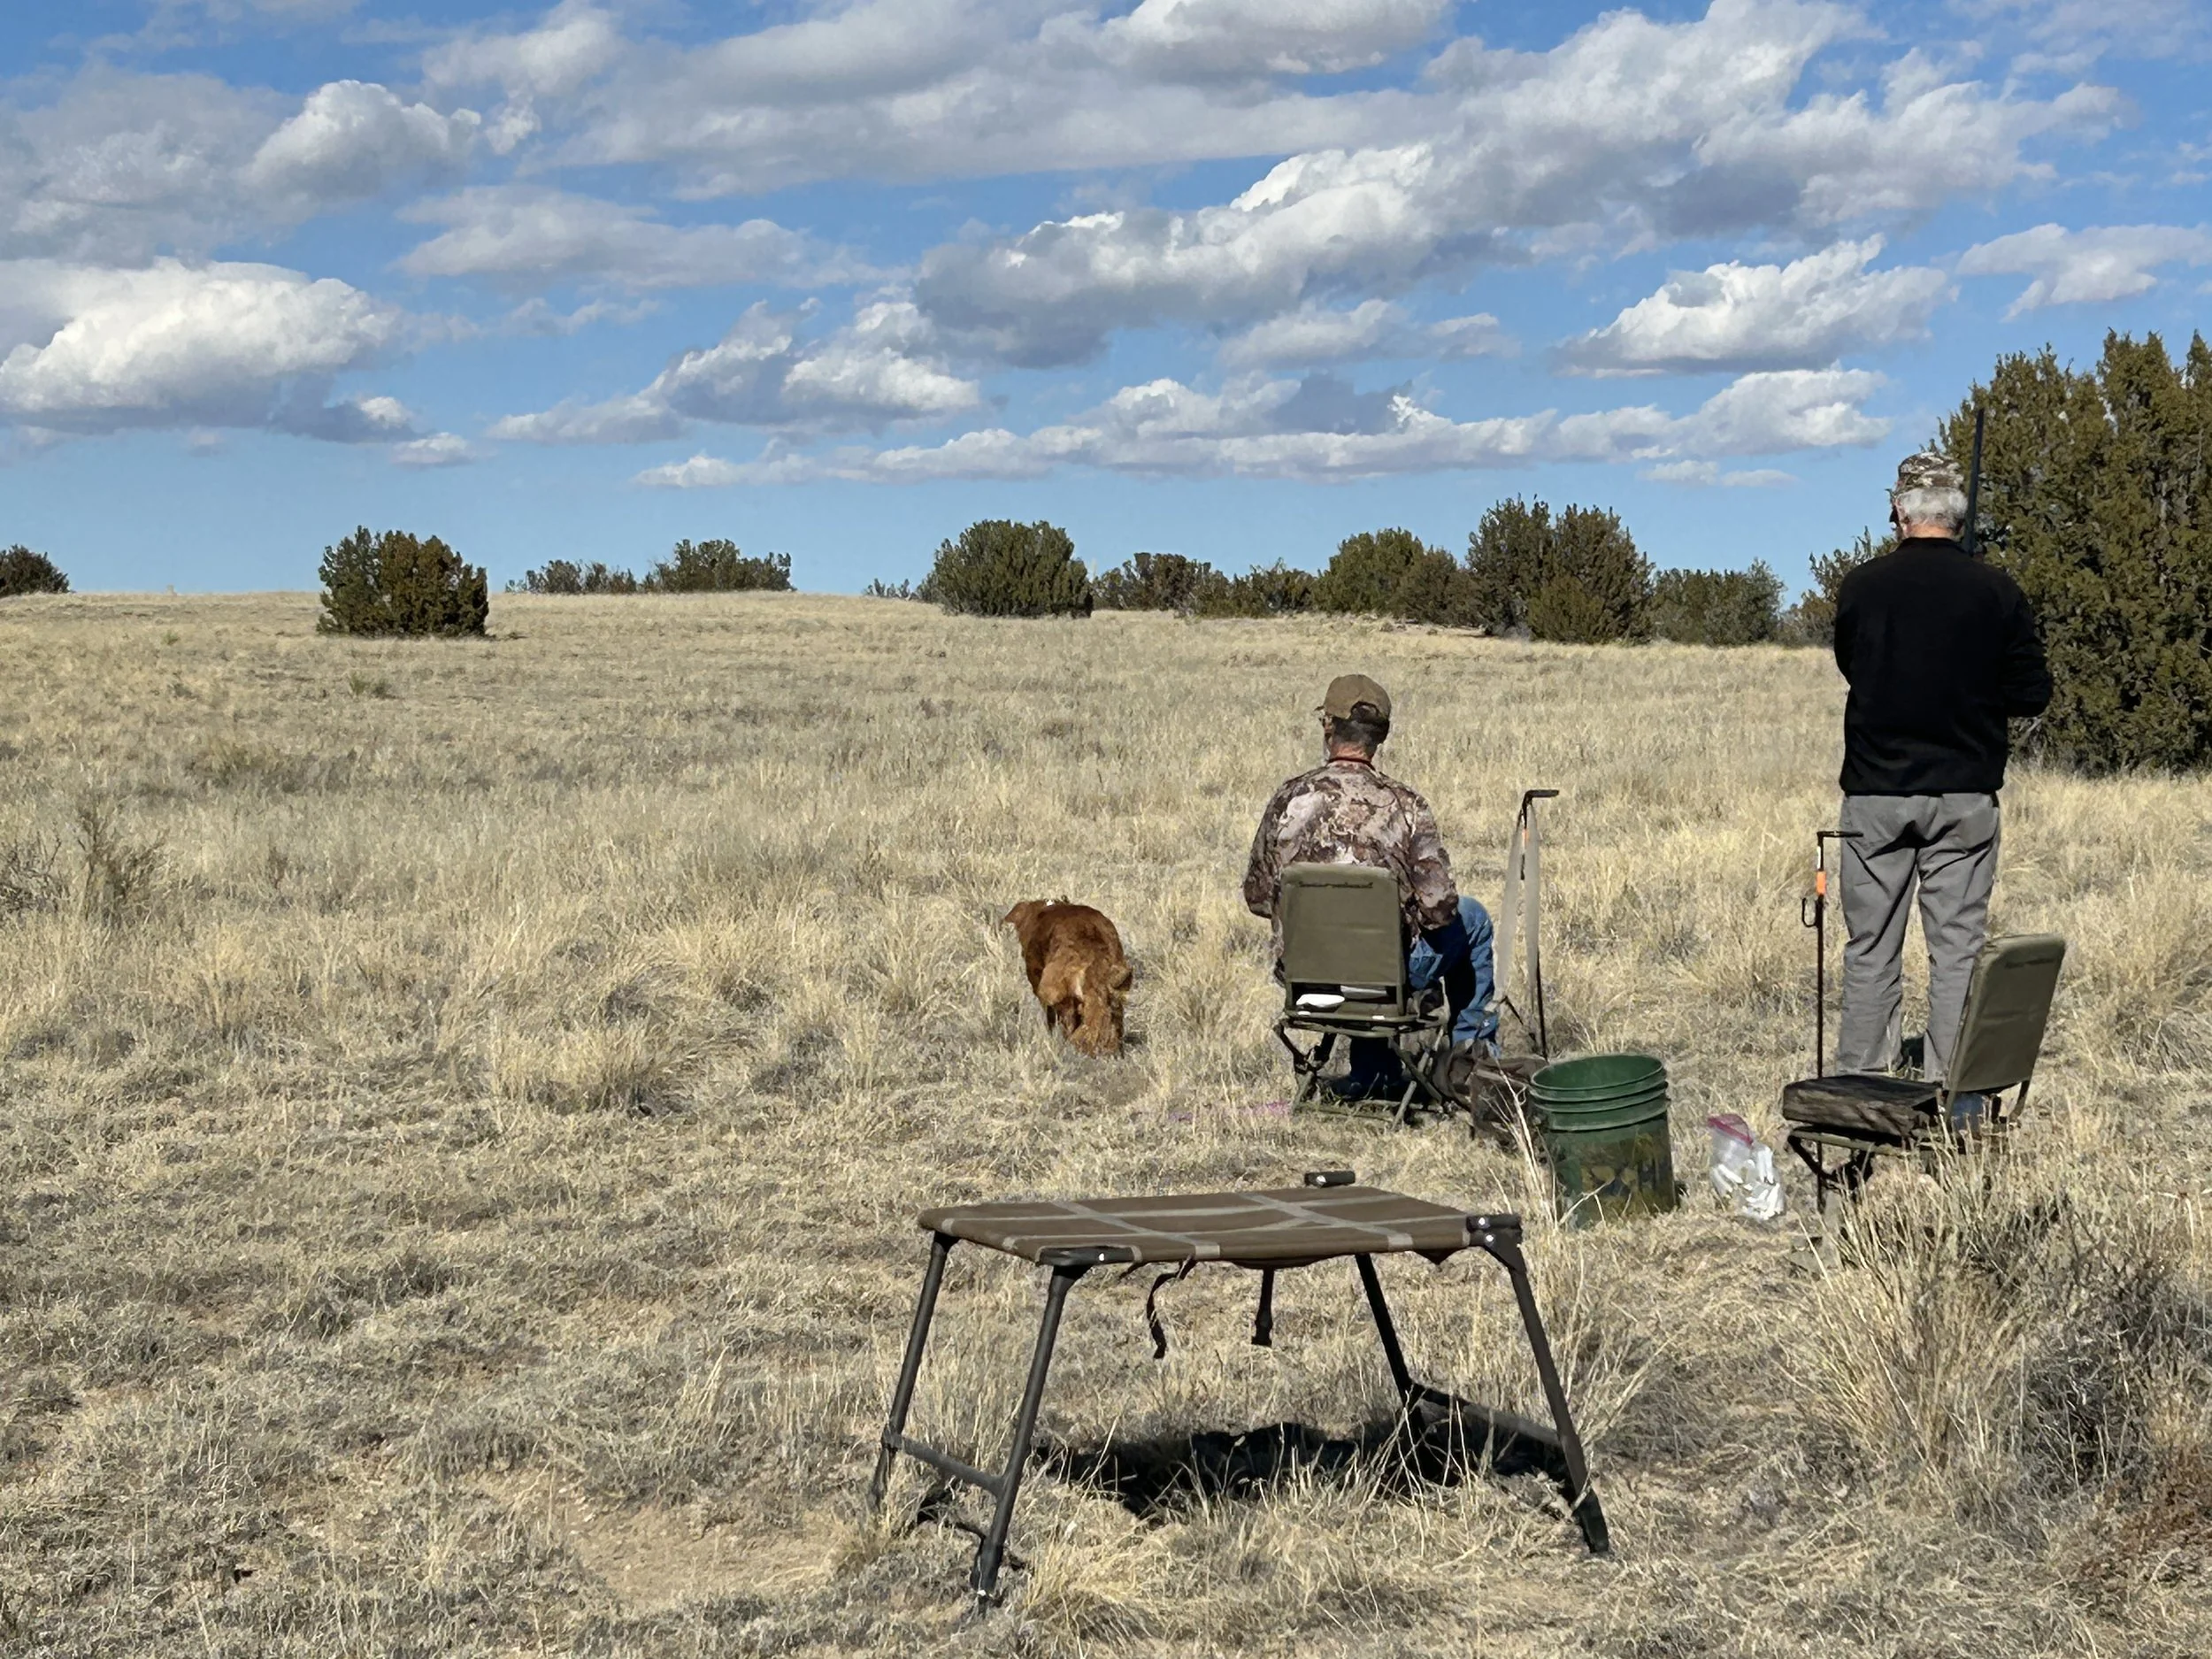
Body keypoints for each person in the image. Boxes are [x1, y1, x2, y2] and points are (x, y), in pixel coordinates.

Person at [1831, 450, 2052, 1094]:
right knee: (1957, 950)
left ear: (1899, 511)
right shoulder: (1997, 591)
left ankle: (1862, 1094)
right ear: (1958, 516)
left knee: (1871, 946)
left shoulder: (1863, 587)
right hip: (1964, 798)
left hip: (1875, 795)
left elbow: (1852, 664)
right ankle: (1952, 1096)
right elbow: (2032, 692)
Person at [1243, 673, 1496, 1098]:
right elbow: (1440, 910)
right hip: (1383, 985)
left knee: (1376, 947)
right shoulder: (1406, 805)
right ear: (1381, 737)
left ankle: (1374, 1070)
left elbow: (1256, 897)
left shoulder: (1287, 798)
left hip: (1306, 983)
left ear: (1328, 726)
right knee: (1473, 918)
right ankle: (1470, 1065)